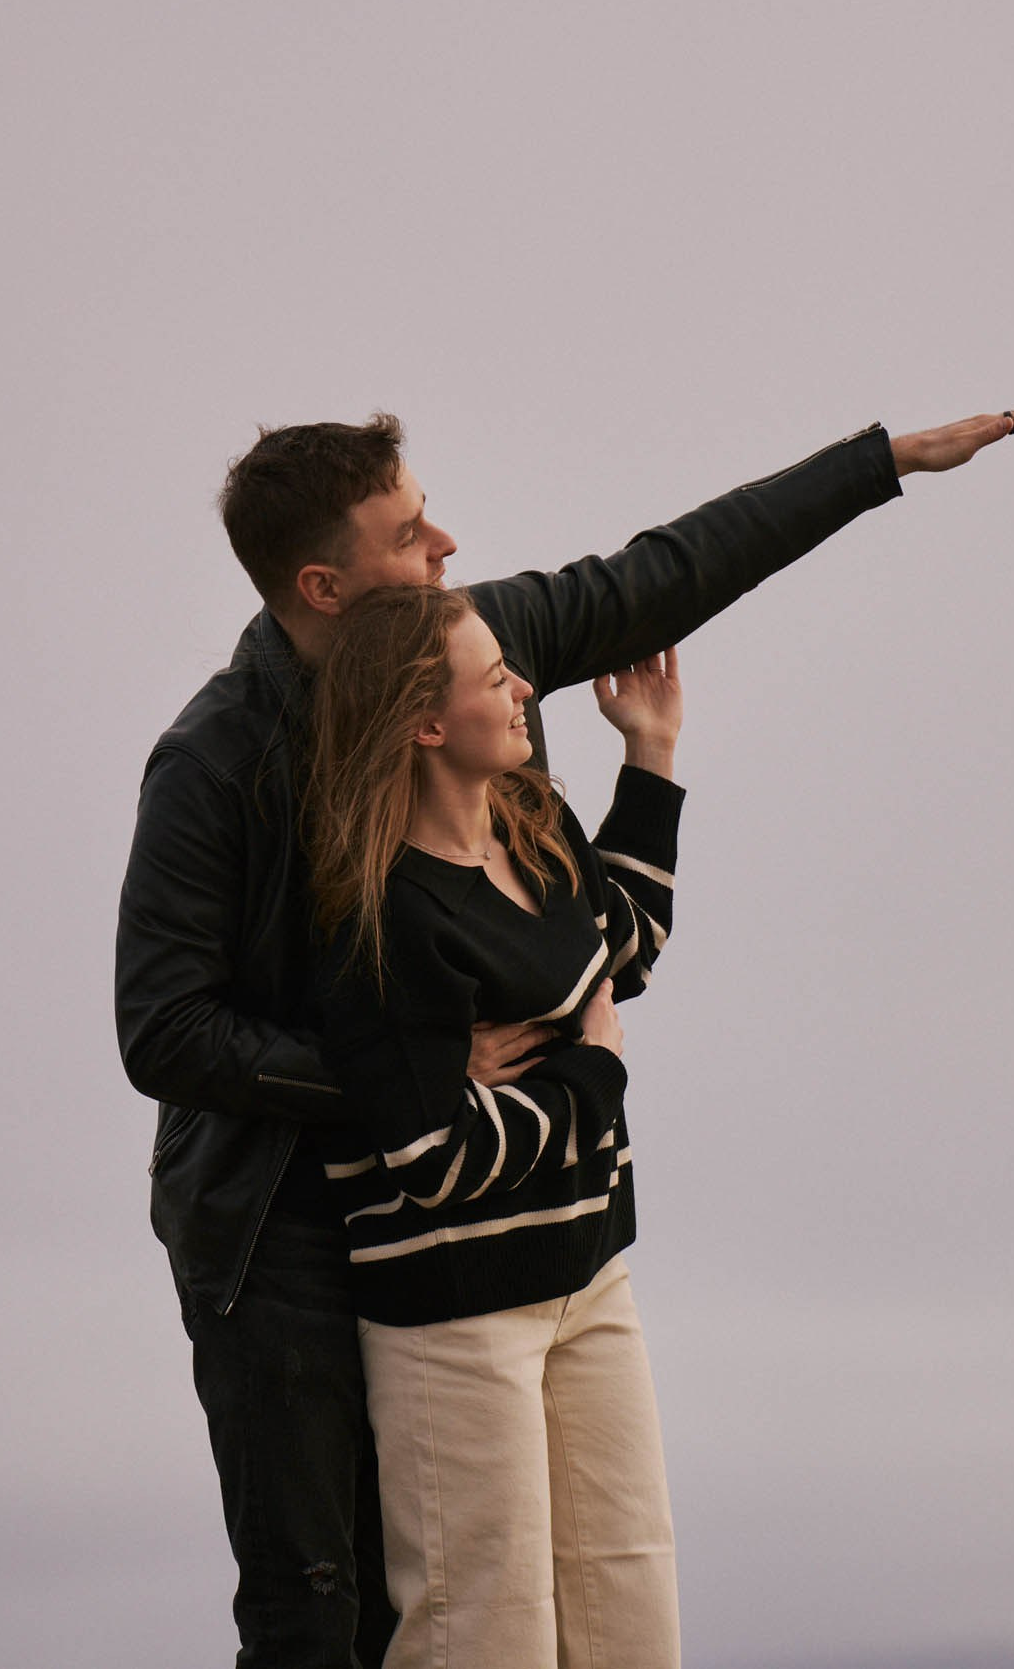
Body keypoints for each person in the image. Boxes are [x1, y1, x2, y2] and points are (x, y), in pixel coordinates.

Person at [115, 406, 1014, 1667]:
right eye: (410, 534)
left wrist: (882, 464)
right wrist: (402, 1085)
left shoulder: (477, 649)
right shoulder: (213, 760)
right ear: (322, 585)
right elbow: (163, 1031)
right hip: (278, 1227)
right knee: (319, 1604)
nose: (448, 544)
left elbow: (661, 573)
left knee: (512, 1599)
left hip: (481, 1193)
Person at [304, 584, 685, 1668]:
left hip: (589, 1273)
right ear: (426, 722)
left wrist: (650, 753)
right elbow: (434, 1158)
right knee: (484, 1638)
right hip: (457, 1318)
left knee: (632, 1623)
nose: (525, 688)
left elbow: (624, 949)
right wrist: (593, 1074)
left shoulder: (534, 820)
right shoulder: (380, 912)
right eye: (495, 678)